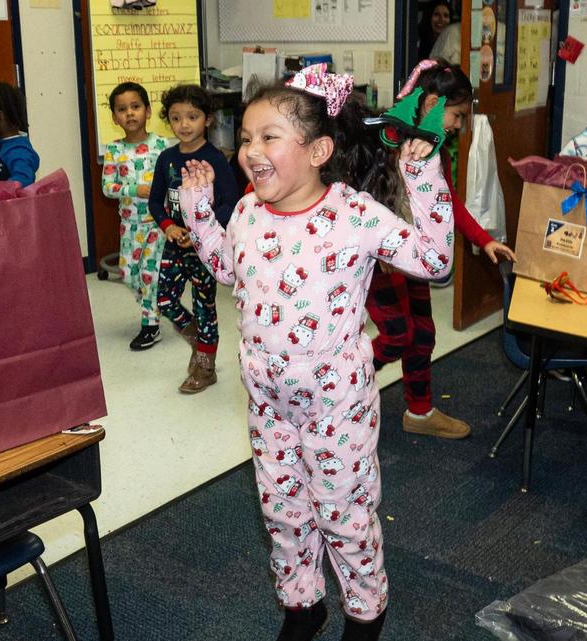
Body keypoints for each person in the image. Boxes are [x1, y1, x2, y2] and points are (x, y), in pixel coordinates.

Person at [177, 63, 456, 641]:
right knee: (282, 511)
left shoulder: (352, 213)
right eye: (246, 138)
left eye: (268, 138)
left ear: (319, 149)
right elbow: (230, 269)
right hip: (266, 400)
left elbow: (435, 260)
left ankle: (365, 611)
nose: (250, 151)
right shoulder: (250, 211)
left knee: (344, 514)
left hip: (337, 404)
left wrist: (422, 174)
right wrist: (200, 213)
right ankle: (303, 606)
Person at [367, 59, 516, 440]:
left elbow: (447, 202)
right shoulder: (382, 140)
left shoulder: (434, 149)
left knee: (423, 335)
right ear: (432, 102)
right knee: (397, 333)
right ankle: (339, 381)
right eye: (457, 115)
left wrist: (484, 240)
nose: (459, 126)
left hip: (414, 256)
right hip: (377, 262)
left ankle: (419, 413)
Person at [147, 83, 237, 393]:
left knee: (204, 305)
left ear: (208, 120)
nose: (184, 125)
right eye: (176, 118)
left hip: (205, 249)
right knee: (165, 300)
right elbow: (155, 201)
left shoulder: (217, 159)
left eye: (192, 116)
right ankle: (199, 338)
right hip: (174, 244)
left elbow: (231, 203)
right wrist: (168, 226)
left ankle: (205, 364)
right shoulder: (166, 158)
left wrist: (205, 228)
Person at [101, 81, 172, 350]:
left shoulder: (162, 146)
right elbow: (108, 187)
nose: (130, 113)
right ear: (114, 117)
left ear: (148, 111)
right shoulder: (114, 150)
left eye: (135, 107)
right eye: (122, 109)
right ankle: (153, 305)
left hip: (157, 223)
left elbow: (172, 180)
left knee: (148, 274)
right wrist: (135, 188)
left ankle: (150, 324)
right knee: (130, 274)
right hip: (129, 225)